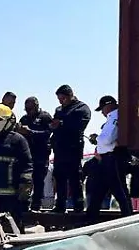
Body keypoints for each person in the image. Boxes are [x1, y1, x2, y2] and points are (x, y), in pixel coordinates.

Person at [84, 95, 132, 222]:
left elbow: (107, 139)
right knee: (99, 191)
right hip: (107, 159)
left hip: (112, 159)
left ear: (108, 106)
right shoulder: (114, 117)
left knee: (120, 192)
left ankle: (128, 218)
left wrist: (98, 139)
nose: (103, 113)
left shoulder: (115, 116)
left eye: (102, 109)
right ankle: (91, 219)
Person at [49, 85, 92, 214]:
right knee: (59, 177)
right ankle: (60, 205)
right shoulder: (59, 109)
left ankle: (78, 206)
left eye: (63, 98)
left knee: (74, 178)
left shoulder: (81, 108)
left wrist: (61, 123)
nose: (61, 101)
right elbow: (55, 126)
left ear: (70, 95)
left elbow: (80, 125)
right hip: (59, 149)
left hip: (73, 148)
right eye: (59, 99)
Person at [18, 97, 54, 212]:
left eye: (30, 108)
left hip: (40, 154)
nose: (28, 111)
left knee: (38, 181)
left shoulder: (45, 117)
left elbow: (48, 133)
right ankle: (24, 205)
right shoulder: (24, 118)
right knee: (25, 181)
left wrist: (30, 132)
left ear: (37, 106)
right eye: (26, 109)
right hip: (26, 155)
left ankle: (36, 205)